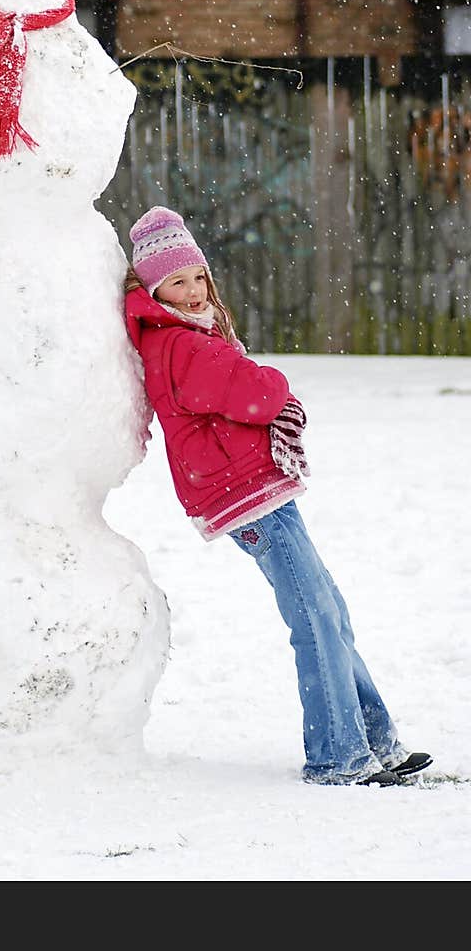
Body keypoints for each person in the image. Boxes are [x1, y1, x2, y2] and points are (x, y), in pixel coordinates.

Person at [124, 205, 431, 787]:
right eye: (176, 283)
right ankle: (337, 754)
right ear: (153, 287)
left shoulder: (193, 333)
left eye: (197, 278)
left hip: (258, 488)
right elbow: (252, 394)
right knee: (314, 618)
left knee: (329, 612)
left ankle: (373, 739)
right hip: (243, 496)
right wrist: (277, 384)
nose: (192, 292)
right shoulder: (180, 345)